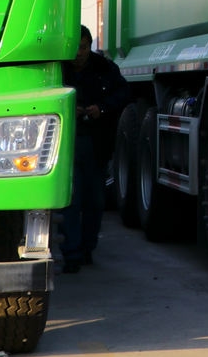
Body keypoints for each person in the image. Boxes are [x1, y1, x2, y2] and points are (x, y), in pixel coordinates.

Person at [59, 25, 128, 273]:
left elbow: (124, 93)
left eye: (83, 47)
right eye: (75, 48)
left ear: (90, 47)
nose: (79, 53)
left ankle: (87, 248)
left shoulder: (104, 68)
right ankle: (72, 254)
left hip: (97, 144)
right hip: (67, 144)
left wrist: (101, 108)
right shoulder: (58, 68)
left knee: (95, 201)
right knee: (71, 201)